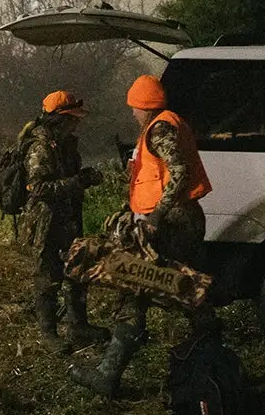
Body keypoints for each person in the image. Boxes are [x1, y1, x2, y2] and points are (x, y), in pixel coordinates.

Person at [70, 74, 215, 398]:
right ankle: (211, 354)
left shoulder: (161, 128)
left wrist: (155, 217)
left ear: (143, 105)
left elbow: (178, 174)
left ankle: (108, 376)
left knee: (137, 283)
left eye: (134, 107)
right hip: (176, 220)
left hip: (172, 223)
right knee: (182, 287)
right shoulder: (161, 126)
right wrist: (129, 209)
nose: (132, 113)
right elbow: (151, 178)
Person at [22, 90, 108, 353]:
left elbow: (67, 177)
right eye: (72, 119)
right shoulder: (40, 148)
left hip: (69, 216)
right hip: (46, 222)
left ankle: (78, 326)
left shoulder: (66, 143)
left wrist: (84, 177)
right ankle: (49, 334)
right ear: (58, 120)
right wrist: (77, 182)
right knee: (47, 277)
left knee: (76, 271)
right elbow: (37, 188)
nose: (76, 123)